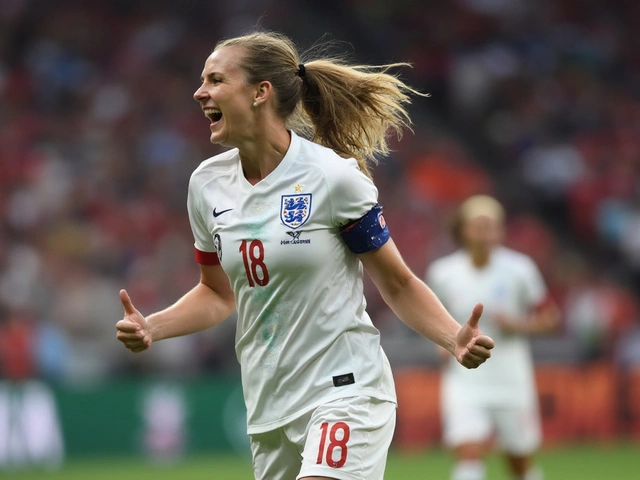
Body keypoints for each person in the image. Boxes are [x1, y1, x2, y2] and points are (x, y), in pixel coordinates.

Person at [115, 31, 494, 480]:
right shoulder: (206, 184)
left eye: (215, 79)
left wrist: (453, 337)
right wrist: (152, 326)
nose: (200, 92)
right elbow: (217, 294)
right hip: (268, 406)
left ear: (260, 92)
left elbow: (397, 282)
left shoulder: (332, 178)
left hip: (346, 390)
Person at [426, 195, 560, 480]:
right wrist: (441, 343)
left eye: (491, 226)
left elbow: (551, 320)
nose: (485, 233)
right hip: (464, 377)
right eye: (479, 226)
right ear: (463, 230)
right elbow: (432, 317)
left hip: (510, 376)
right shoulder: (443, 273)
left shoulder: (520, 270)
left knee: (519, 462)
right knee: (468, 454)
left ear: (501, 231)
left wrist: (518, 325)